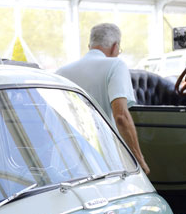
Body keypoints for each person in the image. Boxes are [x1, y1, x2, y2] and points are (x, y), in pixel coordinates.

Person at [57, 23, 150, 174]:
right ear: (115, 47)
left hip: (68, 160)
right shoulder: (116, 65)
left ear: (90, 46)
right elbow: (121, 117)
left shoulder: (61, 72)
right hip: (105, 159)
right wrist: (139, 160)